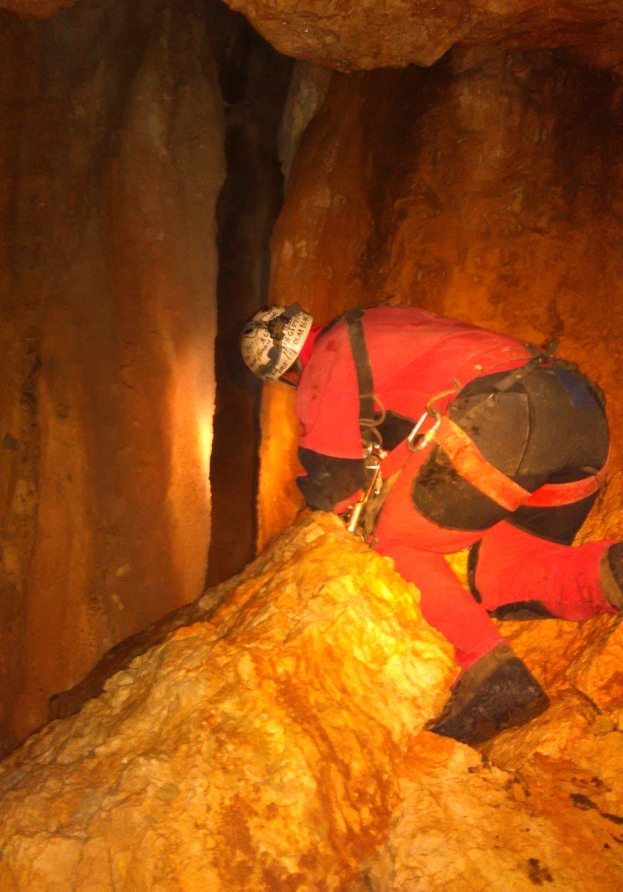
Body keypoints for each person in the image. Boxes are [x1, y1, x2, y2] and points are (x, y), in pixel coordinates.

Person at [241, 303, 623, 745]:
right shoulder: (382, 319)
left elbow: (333, 478)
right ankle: (612, 573)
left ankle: (491, 683)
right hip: (579, 416)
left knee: (389, 540)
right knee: (505, 574)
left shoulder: (328, 355)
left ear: (287, 373)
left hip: (508, 416)